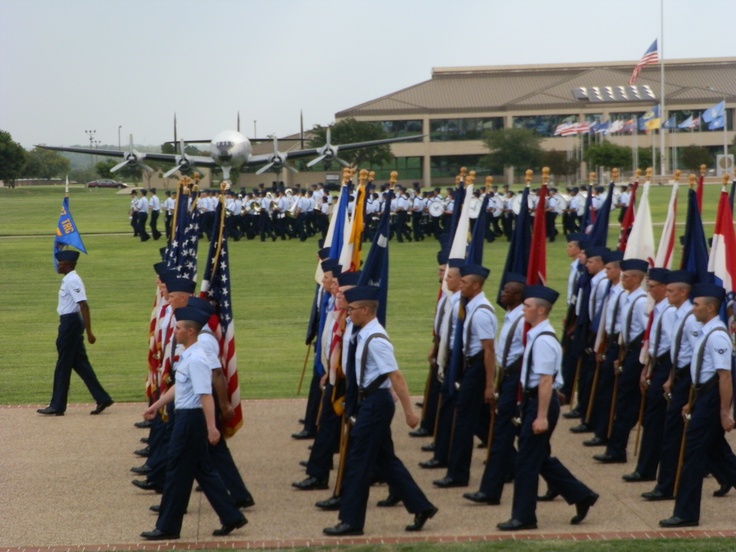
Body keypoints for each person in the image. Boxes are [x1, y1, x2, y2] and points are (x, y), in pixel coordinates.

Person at [323, 286, 438, 536]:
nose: (348, 313)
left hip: (376, 403)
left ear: (365, 310)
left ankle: (351, 521)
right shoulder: (363, 332)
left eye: (352, 310)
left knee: (358, 460)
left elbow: (396, 376)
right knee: (385, 459)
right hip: (370, 402)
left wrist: (409, 412)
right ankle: (421, 506)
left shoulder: (377, 339)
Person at [140, 306, 247, 540]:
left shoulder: (197, 358)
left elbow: (204, 395)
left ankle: (167, 526)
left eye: (178, 328)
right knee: (202, 469)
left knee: (177, 470)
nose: (174, 332)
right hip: (186, 416)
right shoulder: (187, 354)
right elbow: (180, 387)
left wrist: (211, 427)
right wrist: (156, 406)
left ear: (190, 331)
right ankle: (231, 516)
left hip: (190, 419)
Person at [497, 285, 598, 531]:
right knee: (537, 458)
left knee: (526, 463)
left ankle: (524, 517)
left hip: (541, 404)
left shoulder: (543, 340)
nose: (524, 309)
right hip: (534, 401)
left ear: (541, 310)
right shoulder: (535, 335)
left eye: (528, 306)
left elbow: (545, 381)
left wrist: (540, 416)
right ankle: (581, 494)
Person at [659, 284, 736, 527]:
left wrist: (725, 412)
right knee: (716, 452)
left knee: (692, 455)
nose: (693, 309)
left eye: (696, 304)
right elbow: (701, 373)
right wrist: (691, 403)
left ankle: (686, 513)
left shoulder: (718, 336)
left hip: (711, 400)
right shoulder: (706, 331)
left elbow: (724, 376)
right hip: (702, 397)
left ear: (711, 307)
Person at [463, 273, 526, 505]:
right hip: (506, 378)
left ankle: (490, 491)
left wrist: (495, 385)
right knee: (504, 437)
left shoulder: (521, 322)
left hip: (515, 382)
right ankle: (573, 490)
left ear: (517, 296)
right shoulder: (512, 317)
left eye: (506, 290)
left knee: (502, 436)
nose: (501, 293)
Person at [433, 263, 497, 488]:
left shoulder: (481, 313)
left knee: (463, 421)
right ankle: (509, 462)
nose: (460, 285)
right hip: (470, 366)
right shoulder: (470, 306)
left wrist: (489, 385)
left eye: (464, 282)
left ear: (476, 285)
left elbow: (489, 351)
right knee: (479, 421)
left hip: (477, 368)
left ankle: (458, 474)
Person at [38, 250, 113, 416]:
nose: (57, 266)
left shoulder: (72, 280)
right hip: (69, 322)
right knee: (80, 363)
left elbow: (84, 305)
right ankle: (102, 398)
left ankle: (57, 405)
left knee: (63, 365)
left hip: (70, 324)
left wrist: (89, 332)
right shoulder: (68, 279)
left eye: (60, 264)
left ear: (67, 265)